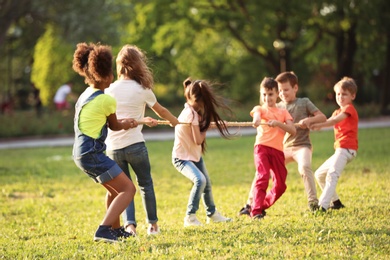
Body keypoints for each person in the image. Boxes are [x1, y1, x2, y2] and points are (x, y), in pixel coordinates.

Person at [105, 44, 179, 236]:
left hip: (113, 148)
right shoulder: (142, 89)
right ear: (138, 65)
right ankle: (153, 225)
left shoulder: (109, 90)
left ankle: (130, 226)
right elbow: (161, 111)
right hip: (135, 146)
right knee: (146, 184)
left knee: (124, 188)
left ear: (119, 66)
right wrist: (174, 122)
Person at [72, 42, 138, 243]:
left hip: (80, 153)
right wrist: (127, 124)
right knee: (129, 189)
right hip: (92, 153)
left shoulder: (85, 95)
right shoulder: (106, 100)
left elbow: (108, 123)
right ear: (104, 74)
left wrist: (123, 123)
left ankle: (116, 230)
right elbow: (115, 125)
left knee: (115, 190)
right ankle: (103, 229)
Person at [238, 71, 327, 215]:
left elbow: (321, 117)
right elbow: (259, 110)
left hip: (301, 146)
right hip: (282, 148)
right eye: (280, 90)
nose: (282, 93)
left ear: (295, 88)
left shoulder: (303, 102)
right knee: (261, 173)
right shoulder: (276, 106)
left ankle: (313, 202)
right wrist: (258, 117)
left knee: (304, 167)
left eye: (286, 90)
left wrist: (309, 120)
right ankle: (250, 204)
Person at [172, 78, 233, 227]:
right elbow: (198, 140)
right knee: (200, 181)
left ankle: (212, 214)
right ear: (201, 100)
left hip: (194, 156)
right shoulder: (191, 115)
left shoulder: (191, 111)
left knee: (207, 184)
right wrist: (206, 127)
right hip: (182, 158)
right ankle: (190, 216)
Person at [248, 77, 296, 220]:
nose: (267, 98)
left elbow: (292, 130)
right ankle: (256, 211)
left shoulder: (283, 113)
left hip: (277, 151)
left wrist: (278, 124)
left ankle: (261, 205)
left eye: (270, 94)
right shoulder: (260, 109)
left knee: (281, 185)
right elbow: (256, 117)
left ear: (277, 94)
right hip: (261, 148)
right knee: (262, 176)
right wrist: (256, 120)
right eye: (264, 94)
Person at [310, 77, 358, 211]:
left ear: (352, 96)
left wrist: (318, 123)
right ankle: (336, 202)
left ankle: (322, 207)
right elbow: (326, 122)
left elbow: (333, 121)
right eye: (338, 94)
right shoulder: (337, 111)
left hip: (347, 149)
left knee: (332, 174)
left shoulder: (349, 109)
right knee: (319, 174)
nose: (340, 97)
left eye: (344, 94)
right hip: (340, 150)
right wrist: (312, 125)